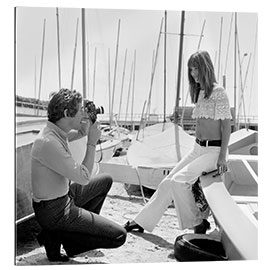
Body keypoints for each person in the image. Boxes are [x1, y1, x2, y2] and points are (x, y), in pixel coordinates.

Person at [124, 50, 232, 235]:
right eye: (191, 70)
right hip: (197, 148)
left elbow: (227, 127)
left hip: (213, 151)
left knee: (179, 181)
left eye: (196, 68)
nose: (193, 73)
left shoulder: (218, 92)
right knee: (167, 182)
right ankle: (141, 221)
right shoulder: (200, 92)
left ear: (205, 67)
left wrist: (222, 157)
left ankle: (198, 222)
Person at [31, 88, 126, 262]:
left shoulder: (56, 131)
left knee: (106, 180)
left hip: (61, 198)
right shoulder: (49, 142)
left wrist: (86, 128)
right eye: (81, 109)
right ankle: (66, 238)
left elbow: (80, 133)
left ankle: (58, 235)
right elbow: (83, 177)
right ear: (67, 113)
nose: (83, 112)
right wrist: (92, 143)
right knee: (119, 236)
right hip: (55, 211)